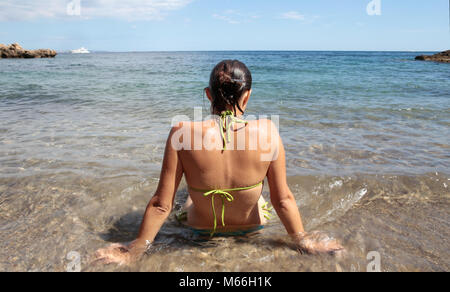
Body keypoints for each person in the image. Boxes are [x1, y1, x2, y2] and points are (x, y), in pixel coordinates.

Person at [95, 60, 344, 266]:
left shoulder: (181, 132)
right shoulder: (268, 131)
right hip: (253, 228)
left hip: (199, 231)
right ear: (247, 97)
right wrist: (303, 241)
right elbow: (283, 200)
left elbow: (161, 205)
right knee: (260, 197)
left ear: (208, 94)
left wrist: (134, 251)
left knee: (190, 197)